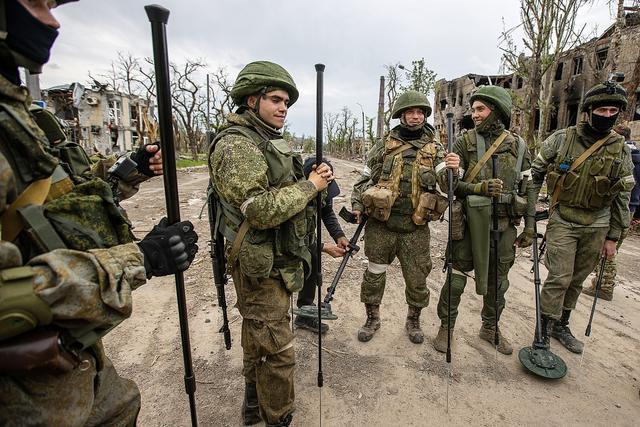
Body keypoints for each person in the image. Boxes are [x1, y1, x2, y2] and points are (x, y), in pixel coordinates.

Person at [0, 1, 199, 425]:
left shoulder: (21, 120)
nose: (53, 22)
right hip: (18, 393)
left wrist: (126, 173)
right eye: (37, 3)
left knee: (120, 404)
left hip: (66, 359)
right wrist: (139, 259)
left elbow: (48, 209)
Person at [208, 61, 332, 427]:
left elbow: (285, 192)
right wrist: (310, 186)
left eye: (287, 103)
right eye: (275, 100)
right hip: (259, 263)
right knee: (278, 349)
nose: (283, 108)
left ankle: (253, 402)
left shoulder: (266, 140)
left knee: (260, 335)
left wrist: (314, 181)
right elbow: (260, 210)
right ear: (251, 99)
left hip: (278, 256)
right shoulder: (236, 146)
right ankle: (277, 417)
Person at [530, 80, 634, 354]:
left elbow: (622, 195)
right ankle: (543, 328)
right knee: (559, 277)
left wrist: (614, 236)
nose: (608, 116)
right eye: (602, 110)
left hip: (598, 223)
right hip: (564, 218)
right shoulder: (562, 139)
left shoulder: (620, 148)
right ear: (589, 111)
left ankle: (561, 323)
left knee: (577, 280)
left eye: (613, 111)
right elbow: (535, 174)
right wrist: (528, 211)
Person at [432, 85, 535, 356]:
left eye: (481, 109)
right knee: (456, 279)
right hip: (468, 226)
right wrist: (454, 172)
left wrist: (531, 227)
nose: (475, 114)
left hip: (503, 227)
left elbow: (529, 188)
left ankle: (490, 327)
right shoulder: (464, 142)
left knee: (498, 283)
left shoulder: (519, 146)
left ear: (497, 111)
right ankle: (447, 327)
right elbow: (450, 187)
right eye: (473, 109)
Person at [351, 90, 460, 345]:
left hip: (415, 227)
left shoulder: (436, 149)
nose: (415, 117)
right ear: (400, 116)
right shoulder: (383, 145)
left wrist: (454, 169)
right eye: (410, 112)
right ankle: (372, 318)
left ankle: (413, 320)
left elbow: (448, 186)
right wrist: (357, 205)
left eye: (420, 112)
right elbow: (364, 178)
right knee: (374, 273)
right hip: (382, 225)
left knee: (417, 278)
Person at [582, 124, 638, 301]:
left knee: (606, 248)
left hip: (616, 208)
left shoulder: (620, 156)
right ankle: (601, 282)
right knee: (612, 246)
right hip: (632, 208)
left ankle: (604, 285)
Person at [294, 157, 350, 334]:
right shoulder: (296, 196)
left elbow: (327, 211)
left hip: (308, 236)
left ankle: (305, 315)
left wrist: (339, 236)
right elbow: (296, 236)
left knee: (312, 263)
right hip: (288, 241)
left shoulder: (323, 189)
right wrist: (325, 247)